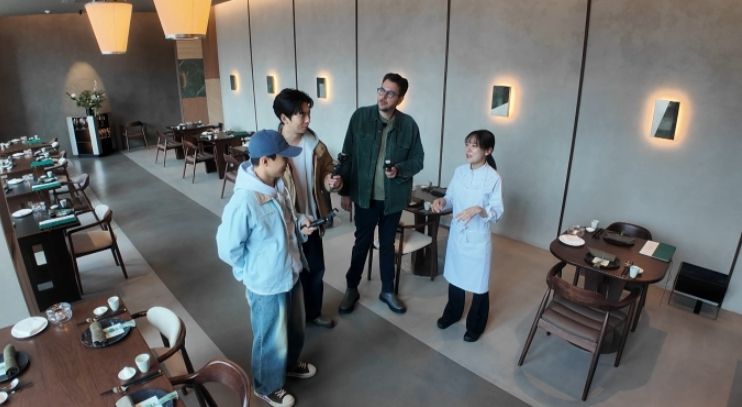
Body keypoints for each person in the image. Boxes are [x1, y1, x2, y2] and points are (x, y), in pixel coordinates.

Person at [216, 129, 317, 407]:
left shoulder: (277, 185)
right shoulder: (244, 201)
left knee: (294, 328)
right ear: (264, 161)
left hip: (291, 271)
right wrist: (248, 272)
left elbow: (288, 220)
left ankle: (290, 364)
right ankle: (267, 386)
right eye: (283, 157)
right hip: (266, 284)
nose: (288, 162)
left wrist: (301, 223)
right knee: (270, 336)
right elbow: (227, 248)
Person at [336, 73, 424, 314]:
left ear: (400, 98)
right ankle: (351, 287)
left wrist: (399, 169)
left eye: (390, 93)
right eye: (381, 90)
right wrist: (345, 190)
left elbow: (418, 160)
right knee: (361, 243)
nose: (383, 97)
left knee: (387, 245)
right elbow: (346, 155)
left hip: (393, 199)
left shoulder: (408, 125)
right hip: (365, 196)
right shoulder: (360, 117)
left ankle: (387, 291)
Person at [273, 88, 342, 329]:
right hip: (285, 226)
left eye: (308, 113)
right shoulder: (272, 151)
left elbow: (327, 171)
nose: (307, 119)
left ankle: (313, 313)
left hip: (312, 221)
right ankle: (293, 320)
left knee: (316, 270)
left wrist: (330, 181)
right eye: (301, 114)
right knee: (291, 274)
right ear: (284, 118)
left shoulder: (316, 145)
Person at [431, 129, 504, 342]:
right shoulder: (460, 171)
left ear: (488, 151)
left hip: (478, 237)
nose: (469, 149)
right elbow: (451, 197)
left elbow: (497, 211)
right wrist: (442, 201)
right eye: (467, 144)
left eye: (475, 146)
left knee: (479, 283)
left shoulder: (493, 178)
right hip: (458, 235)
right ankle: (452, 314)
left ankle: (475, 325)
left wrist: (479, 210)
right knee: (455, 277)